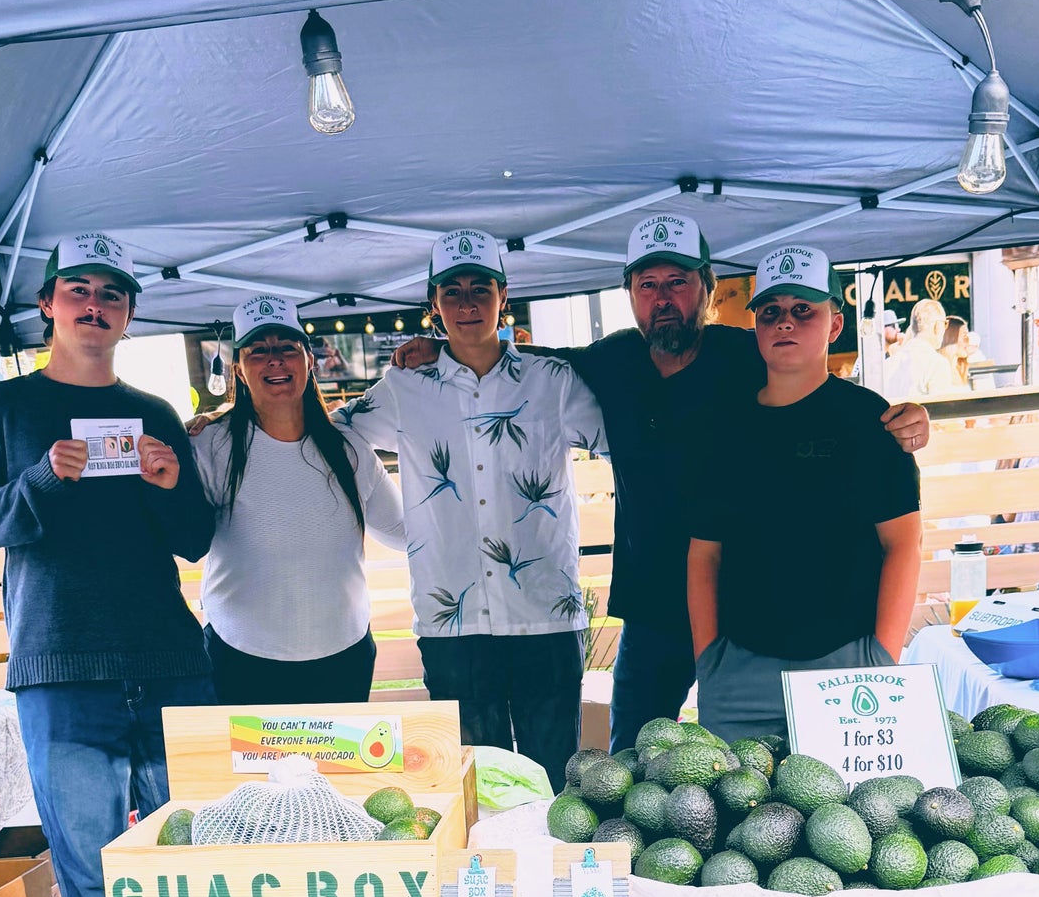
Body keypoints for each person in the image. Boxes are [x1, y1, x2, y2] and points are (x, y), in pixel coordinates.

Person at [393, 213, 931, 751]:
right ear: (629, 293)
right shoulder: (613, 360)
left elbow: (817, 390)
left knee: (782, 765)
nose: (663, 298)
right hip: (653, 604)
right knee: (631, 758)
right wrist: (441, 351)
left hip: (750, 605)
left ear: (708, 290)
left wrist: (905, 417)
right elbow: (525, 364)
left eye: (678, 282)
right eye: (647, 285)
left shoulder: (748, 352)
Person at [0, 233, 214, 897]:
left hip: (171, 665)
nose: (94, 305)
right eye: (78, 289)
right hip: (61, 672)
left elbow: (195, 538)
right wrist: (39, 481)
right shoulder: (0, 408)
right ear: (46, 304)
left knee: (190, 859)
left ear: (130, 315)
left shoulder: (157, 413)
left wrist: (168, 488)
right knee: (91, 872)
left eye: (112, 294)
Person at [340, 229, 605, 791]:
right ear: (433, 305)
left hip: (545, 617)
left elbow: (621, 436)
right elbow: (328, 433)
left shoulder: (551, 381)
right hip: (451, 622)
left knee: (555, 784)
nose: (466, 303)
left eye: (479, 289)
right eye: (451, 291)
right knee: (474, 788)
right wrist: (224, 424)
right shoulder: (404, 387)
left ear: (503, 297)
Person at [686, 245, 921, 745]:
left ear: (835, 325)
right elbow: (704, 553)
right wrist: (710, 659)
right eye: (770, 312)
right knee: (727, 819)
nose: (785, 323)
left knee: (850, 822)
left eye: (802, 311)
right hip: (739, 676)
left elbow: (903, 543)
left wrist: (881, 656)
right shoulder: (721, 428)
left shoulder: (871, 420)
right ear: (756, 328)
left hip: (847, 668)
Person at [189, 294, 405, 705]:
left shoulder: (349, 447)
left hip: (343, 658)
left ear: (309, 359)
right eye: (258, 351)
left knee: (333, 773)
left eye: (287, 348)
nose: (275, 360)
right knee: (250, 774)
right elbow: (182, 535)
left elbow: (403, 532)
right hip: (239, 658)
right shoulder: (210, 446)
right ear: (238, 367)